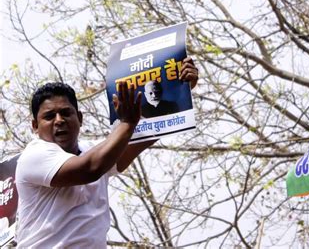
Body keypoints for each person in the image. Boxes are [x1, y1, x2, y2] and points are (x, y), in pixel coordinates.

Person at [15, 58, 198, 247]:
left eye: (66, 113)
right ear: (35, 126)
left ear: (79, 118)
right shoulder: (34, 156)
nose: (59, 120)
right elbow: (90, 168)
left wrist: (181, 92)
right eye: (49, 116)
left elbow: (143, 136)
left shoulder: (93, 151)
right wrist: (127, 124)